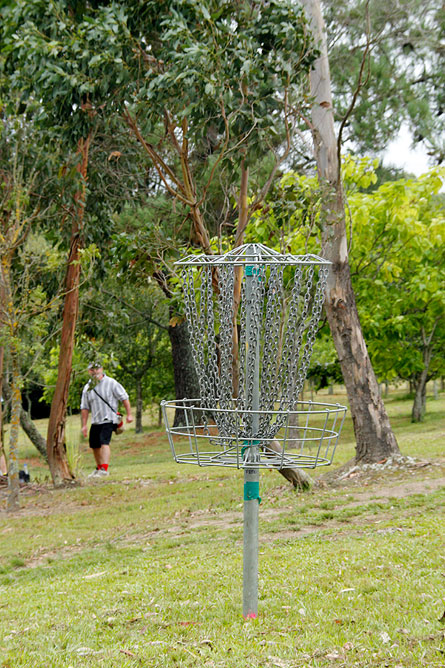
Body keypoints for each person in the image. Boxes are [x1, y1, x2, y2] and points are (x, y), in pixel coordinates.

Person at [81, 362, 133, 477]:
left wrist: (129, 414)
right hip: (96, 420)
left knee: (104, 442)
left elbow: (124, 397)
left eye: (97, 369)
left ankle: (104, 469)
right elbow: (84, 407)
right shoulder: (87, 387)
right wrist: (84, 425)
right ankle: (99, 468)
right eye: (92, 369)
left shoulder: (111, 383)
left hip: (109, 418)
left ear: (102, 369)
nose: (95, 371)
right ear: (89, 371)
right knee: (94, 444)